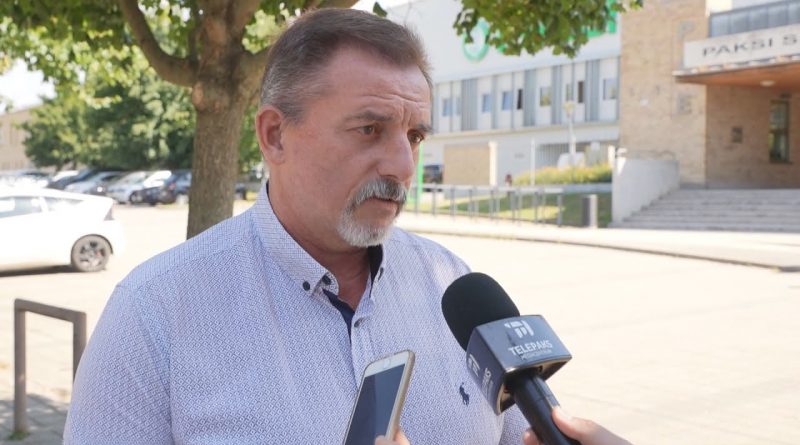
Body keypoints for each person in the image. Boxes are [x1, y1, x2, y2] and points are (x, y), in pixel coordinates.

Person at [63, 8, 631, 445]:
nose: (403, 166)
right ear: (275, 136)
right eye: (369, 130)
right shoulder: (154, 314)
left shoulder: (453, 286)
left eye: (414, 136)